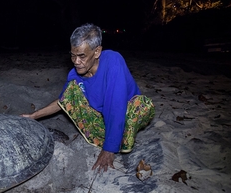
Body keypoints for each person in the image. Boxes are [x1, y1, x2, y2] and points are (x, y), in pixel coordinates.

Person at [21, 23, 155, 173]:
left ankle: (116, 140)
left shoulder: (113, 61)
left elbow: (116, 105)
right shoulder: (75, 75)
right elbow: (63, 101)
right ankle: (108, 136)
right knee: (72, 89)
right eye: (72, 55)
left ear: (97, 52)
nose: (76, 62)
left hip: (128, 113)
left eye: (82, 56)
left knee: (140, 105)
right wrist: (34, 116)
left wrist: (108, 150)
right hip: (103, 119)